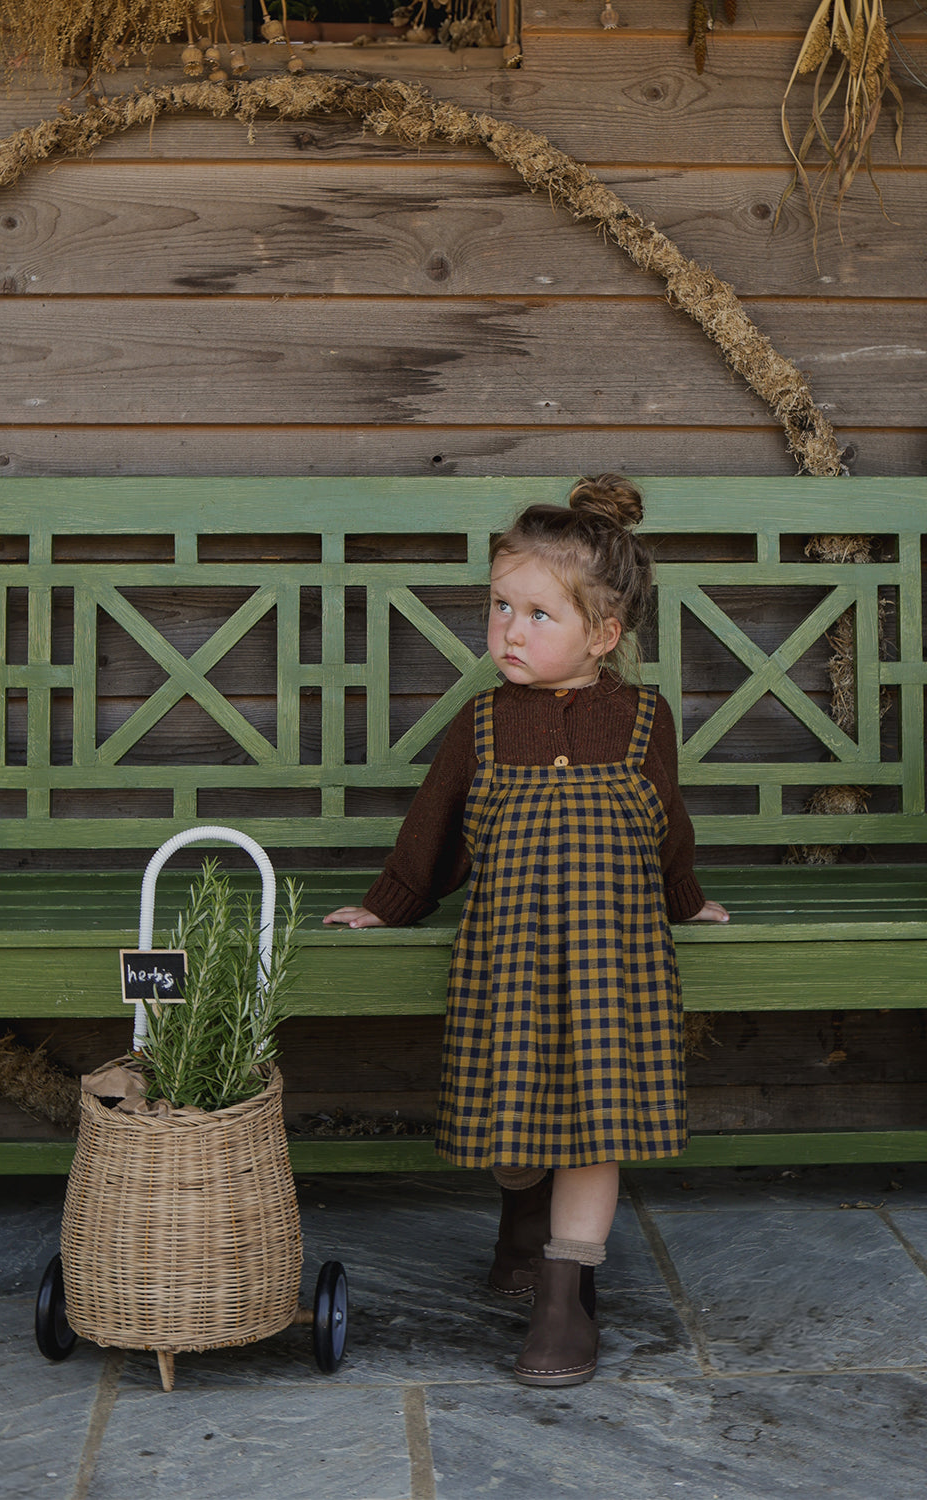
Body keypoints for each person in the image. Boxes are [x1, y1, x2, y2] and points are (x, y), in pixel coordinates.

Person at [324, 474, 729, 1387]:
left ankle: (562, 1297)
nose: (509, 630)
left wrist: (685, 900)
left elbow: (665, 826)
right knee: (515, 1135)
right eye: (501, 607)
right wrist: (390, 902)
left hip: (614, 968)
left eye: (539, 615)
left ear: (604, 634)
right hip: (507, 961)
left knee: (595, 1127)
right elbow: (433, 831)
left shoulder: (642, 721)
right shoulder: (483, 725)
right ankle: (519, 1212)